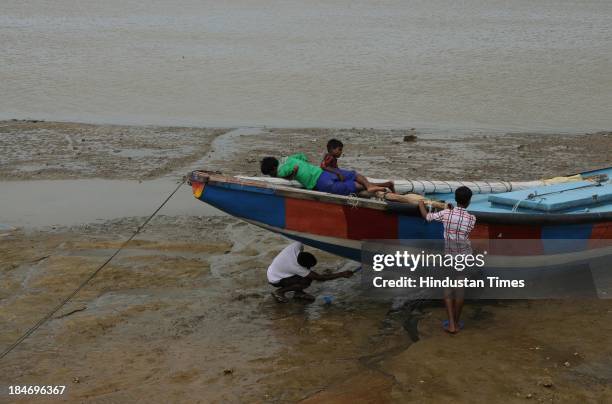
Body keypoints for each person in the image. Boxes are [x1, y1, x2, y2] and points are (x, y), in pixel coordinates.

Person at [418, 186, 476, 334]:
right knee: (460, 290)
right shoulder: (471, 219)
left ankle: (450, 324)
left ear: (455, 199)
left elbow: (427, 217)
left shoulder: (446, 213)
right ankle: (456, 322)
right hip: (464, 256)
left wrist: (420, 204)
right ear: (469, 201)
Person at [267, 241, 354, 303]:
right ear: (302, 266)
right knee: (306, 281)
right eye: (308, 267)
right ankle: (280, 292)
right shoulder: (296, 267)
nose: (310, 268)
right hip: (275, 279)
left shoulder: (297, 245)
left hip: (277, 270)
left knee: (307, 275)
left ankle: (298, 293)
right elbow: (320, 278)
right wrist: (342, 274)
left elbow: (304, 237)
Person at [261, 153, 382, 196]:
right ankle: (369, 185)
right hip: (321, 171)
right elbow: (301, 155)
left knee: (343, 187)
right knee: (351, 174)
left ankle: (365, 187)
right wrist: (304, 165)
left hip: (318, 181)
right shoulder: (287, 159)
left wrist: (289, 175)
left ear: (273, 168)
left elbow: (287, 173)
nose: (272, 176)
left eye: (270, 174)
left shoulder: (280, 171)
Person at [321, 139, 394, 193]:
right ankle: (375, 186)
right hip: (333, 178)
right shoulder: (329, 157)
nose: (341, 152)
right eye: (339, 150)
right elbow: (323, 166)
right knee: (355, 175)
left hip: (335, 178)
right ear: (331, 149)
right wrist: (338, 173)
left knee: (360, 182)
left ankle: (385, 184)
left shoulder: (333, 158)